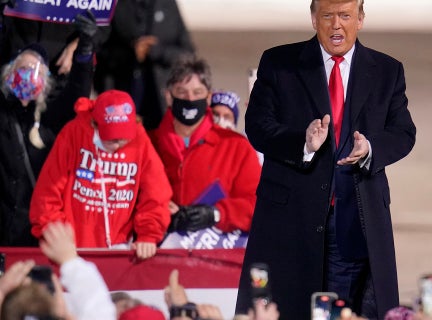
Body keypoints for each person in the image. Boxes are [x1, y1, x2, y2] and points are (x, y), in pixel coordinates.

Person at [235, 0, 416, 318]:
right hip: (291, 220)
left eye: (345, 16)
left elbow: (403, 132)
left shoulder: (387, 71)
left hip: (353, 221)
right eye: (328, 16)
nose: (336, 25)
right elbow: (258, 127)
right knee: (289, 308)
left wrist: (370, 149)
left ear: (360, 19)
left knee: (339, 309)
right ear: (313, 18)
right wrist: (301, 144)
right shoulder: (279, 63)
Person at [29, 89, 172, 259]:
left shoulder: (140, 139)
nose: (118, 145)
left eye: (124, 139)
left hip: (120, 252)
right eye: (111, 139)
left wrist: (148, 234)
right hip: (72, 251)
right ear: (94, 125)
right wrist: (58, 238)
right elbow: (46, 195)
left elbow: (156, 193)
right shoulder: (74, 134)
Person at [0, 13, 96, 247]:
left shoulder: (51, 118)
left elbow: (78, 91)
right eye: (23, 68)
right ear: (9, 74)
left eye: (35, 70)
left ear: (45, 81)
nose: (28, 75)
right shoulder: (2, 113)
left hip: (32, 233)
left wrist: (85, 48)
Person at [150, 57, 261, 249]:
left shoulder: (236, 146)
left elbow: (259, 205)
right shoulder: (148, 143)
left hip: (216, 262)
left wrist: (215, 214)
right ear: (168, 96)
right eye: (181, 92)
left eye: (197, 92)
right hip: (158, 258)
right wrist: (159, 209)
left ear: (208, 97)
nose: (190, 99)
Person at [94, 0, 195, 130]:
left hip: (161, 103)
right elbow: (98, 51)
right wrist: (132, 51)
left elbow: (188, 54)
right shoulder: (113, 5)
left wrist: (157, 51)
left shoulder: (167, 4)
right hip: (121, 102)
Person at [0, 221, 116, 320]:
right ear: (61, 311)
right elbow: (97, 308)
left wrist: (2, 290)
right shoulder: (63, 312)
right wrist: (70, 260)